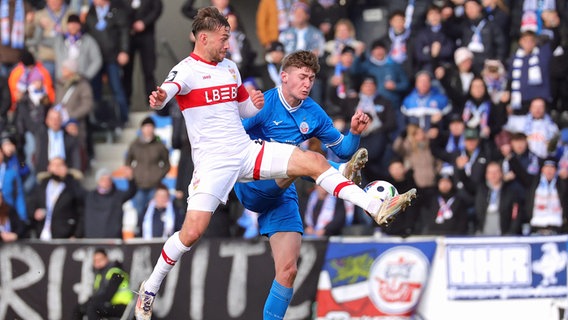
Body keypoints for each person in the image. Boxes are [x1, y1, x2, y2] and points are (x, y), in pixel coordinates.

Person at [134, 7, 416, 320]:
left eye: (312, 78)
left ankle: (373, 205)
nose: (228, 45)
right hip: (222, 169)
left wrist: (248, 104)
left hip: (247, 154)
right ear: (204, 38)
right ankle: (150, 286)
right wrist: (160, 98)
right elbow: (167, 91)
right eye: (224, 38)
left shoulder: (231, 68)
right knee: (191, 233)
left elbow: (240, 107)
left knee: (290, 263)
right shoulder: (185, 70)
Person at [72, 248, 133, 320]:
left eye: (100, 259)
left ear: (107, 258)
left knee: (93, 308)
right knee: (79, 308)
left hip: (122, 306)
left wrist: (92, 301)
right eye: (95, 260)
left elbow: (108, 295)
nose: (98, 262)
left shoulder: (116, 272)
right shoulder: (100, 274)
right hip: (109, 304)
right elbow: (99, 294)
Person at [83, 167, 136, 239]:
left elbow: (131, 192)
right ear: (98, 181)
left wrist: (130, 179)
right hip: (94, 238)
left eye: (108, 179)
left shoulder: (117, 195)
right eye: (102, 179)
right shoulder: (90, 196)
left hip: (112, 238)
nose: (105, 182)